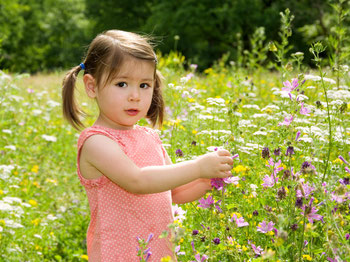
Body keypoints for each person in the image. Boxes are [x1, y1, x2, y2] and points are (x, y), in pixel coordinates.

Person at [62, 29, 233, 261]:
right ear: (91, 87)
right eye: (121, 84)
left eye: (144, 85)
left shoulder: (150, 137)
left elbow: (175, 191)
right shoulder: (96, 142)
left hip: (158, 251)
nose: (135, 96)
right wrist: (198, 167)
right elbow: (138, 181)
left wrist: (210, 179)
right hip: (118, 253)